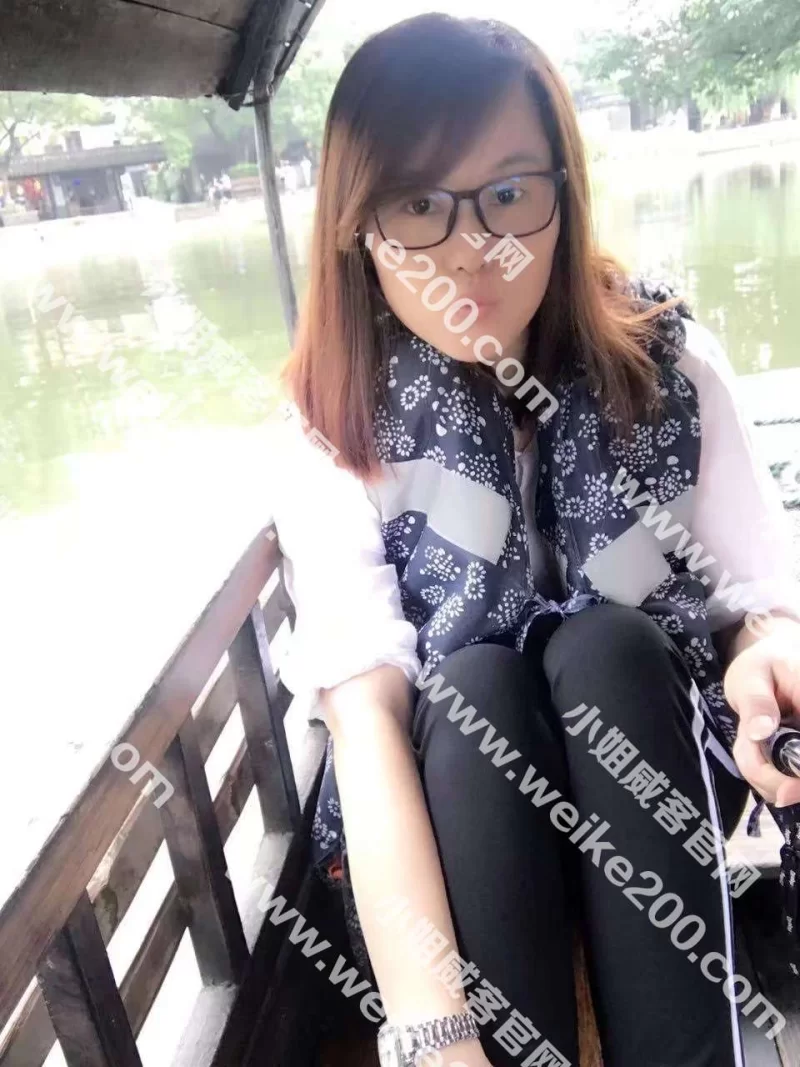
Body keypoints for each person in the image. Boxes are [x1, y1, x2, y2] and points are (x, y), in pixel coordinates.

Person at [270, 15, 800, 1067]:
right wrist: (435, 1037)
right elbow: (366, 724)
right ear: (356, 223)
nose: (474, 248)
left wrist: (762, 654)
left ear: (563, 191)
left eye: (510, 193)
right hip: (453, 822)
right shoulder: (336, 420)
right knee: (474, 687)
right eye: (418, 204)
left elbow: (755, 598)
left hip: (656, 778)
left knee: (608, 647)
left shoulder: (669, 366)